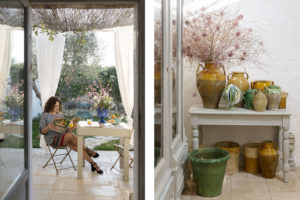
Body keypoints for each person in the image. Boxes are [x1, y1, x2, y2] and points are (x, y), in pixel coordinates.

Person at [39, 96, 103, 174]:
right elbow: (42, 131)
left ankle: (93, 164)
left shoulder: (60, 115)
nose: (57, 108)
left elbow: (66, 131)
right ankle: (89, 150)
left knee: (79, 147)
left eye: (58, 106)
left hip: (63, 137)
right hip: (52, 139)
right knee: (71, 136)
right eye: (55, 106)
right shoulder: (45, 115)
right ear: (50, 105)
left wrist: (73, 125)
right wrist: (49, 126)